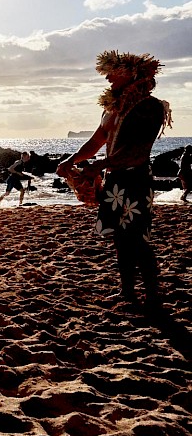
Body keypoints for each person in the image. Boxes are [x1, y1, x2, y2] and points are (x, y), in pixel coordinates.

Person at [56, 51, 172, 308]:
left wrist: (100, 165)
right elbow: (97, 141)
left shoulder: (149, 107)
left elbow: (137, 152)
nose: (108, 78)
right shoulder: (112, 109)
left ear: (133, 74)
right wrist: (71, 160)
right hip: (115, 180)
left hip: (136, 179)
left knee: (137, 238)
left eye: (113, 72)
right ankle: (127, 292)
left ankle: (152, 295)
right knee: (120, 238)